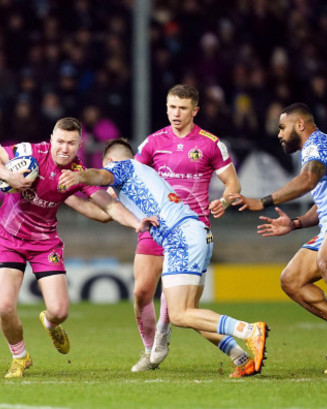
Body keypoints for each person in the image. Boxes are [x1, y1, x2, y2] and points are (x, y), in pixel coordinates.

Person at [58, 138, 269, 377]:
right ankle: (240, 358)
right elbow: (107, 212)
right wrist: (68, 197)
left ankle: (250, 331)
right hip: (196, 233)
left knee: (179, 314)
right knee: (191, 313)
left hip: (179, 237)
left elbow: (98, 175)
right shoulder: (145, 172)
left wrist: (78, 176)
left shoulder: (122, 166)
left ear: (110, 161)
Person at [0, 117, 153, 379]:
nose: (64, 148)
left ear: (80, 144)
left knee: (60, 311)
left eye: (71, 143)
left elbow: (109, 207)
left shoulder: (79, 173)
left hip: (44, 242)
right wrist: (8, 175)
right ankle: (20, 356)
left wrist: (137, 223)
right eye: (59, 141)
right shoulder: (31, 152)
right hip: (7, 238)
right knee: (4, 306)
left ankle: (49, 322)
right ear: (51, 139)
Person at [229, 103, 327, 372]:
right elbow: (323, 203)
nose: (279, 134)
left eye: (282, 127)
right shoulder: (317, 150)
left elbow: (307, 180)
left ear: (300, 125)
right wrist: (296, 223)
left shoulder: (316, 144)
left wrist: (260, 202)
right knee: (291, 280)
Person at [131, 84, 244, 375]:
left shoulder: (209, 143)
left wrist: (225, 201)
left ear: (195, 110)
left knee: (183, 307)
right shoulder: (153, 143)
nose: (176, 113)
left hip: (191, 232)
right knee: (143, 291)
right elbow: (134, 177)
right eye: (171, 107)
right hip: (156, 227)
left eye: (182, 108)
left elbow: (233, 184)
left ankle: (163, 339)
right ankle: (152, 345)